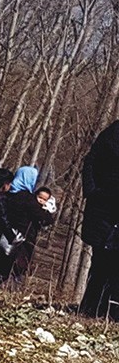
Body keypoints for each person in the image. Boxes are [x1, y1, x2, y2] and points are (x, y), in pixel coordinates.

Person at [0, 166, 50, 291]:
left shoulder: (7, 194)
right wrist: (47, 211)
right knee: (15, 267)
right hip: (21, 238)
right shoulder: (27, 198)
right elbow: (44, 219)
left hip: (3, 234)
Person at [82, 119, 119, 320]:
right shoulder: (113, 133)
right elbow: (90, 161)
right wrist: (92, 191)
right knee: (101, 261)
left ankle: (112, 314)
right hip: (103, 208)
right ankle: (91, 309)